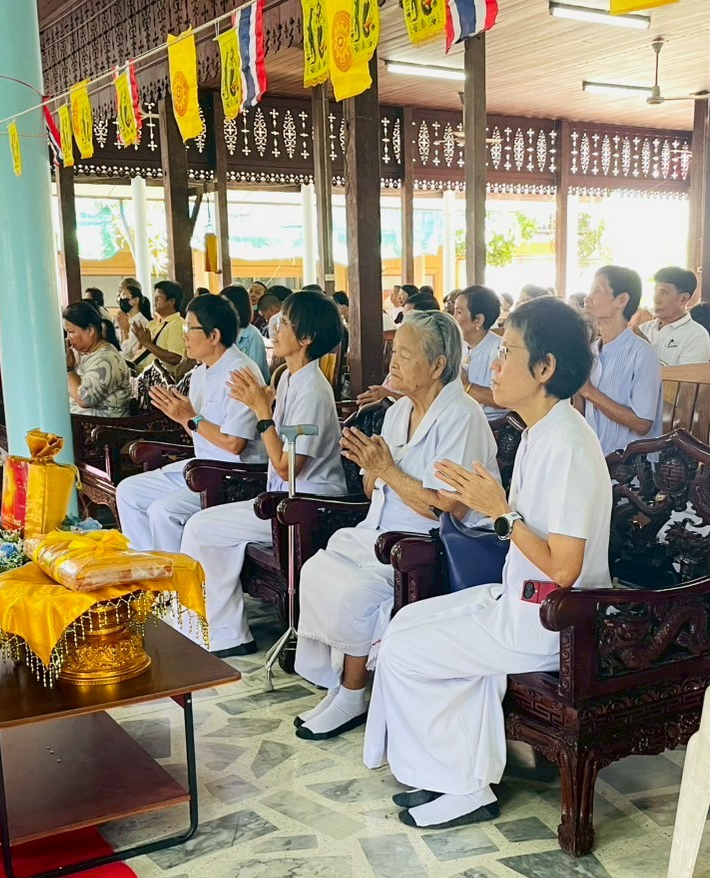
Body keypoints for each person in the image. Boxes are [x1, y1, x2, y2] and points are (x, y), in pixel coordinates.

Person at [364, 296, 610, 829]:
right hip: (523, 601)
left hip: (557, 621)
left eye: (507, 353)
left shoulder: (567, 445)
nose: (492, 366)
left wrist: (498, 512)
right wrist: (496, 507)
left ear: (544, 369)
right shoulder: (540, 432)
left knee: (409, 649)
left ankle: (463, 787)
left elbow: (565, 569)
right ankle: (449, 773)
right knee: (405, 622)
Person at [293, 311, 500, 740]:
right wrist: (374, 470)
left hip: (431, 545)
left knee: (356, 589)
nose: (393, 362)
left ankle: (353, 692)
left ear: (438, 366)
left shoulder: (463, 416)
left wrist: (386, 469)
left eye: (405, 355)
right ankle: (338, 685)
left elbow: (449, 510)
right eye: (394, 351)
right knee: (317, 567)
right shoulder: (398, 410)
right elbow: (375, 489)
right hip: (382, 530)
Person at [180, 290, 347, 656]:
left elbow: (289, 467)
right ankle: (216, 626)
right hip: (281, 496)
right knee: (204, 525)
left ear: (306, 338)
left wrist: (261, 411)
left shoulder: (314, 391)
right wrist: (263, 403)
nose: (276, 328)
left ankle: (226, 633)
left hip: (309, 502)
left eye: (285, 323)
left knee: (202, 527)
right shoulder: (287, 376)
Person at [116, 294, 267, 551]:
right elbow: (196, 427)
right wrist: (180, 415)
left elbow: (234, 444)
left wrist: (189, 417)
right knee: (129, 491)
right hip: (200, 467)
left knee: (164, 510)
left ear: (214, 336)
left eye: (189, 328)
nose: (184, 336)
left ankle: (179, 585)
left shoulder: (241, 373)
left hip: (234, 476)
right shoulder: (200, 372)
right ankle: (151, 571)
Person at [581, 265, 662, 456]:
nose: (587, 297)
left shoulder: (642, 353)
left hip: (631, 474)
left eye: (597, 291)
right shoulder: (590, 351)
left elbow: (642, 424)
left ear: (622, 300)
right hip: (595, 461)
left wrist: (588, 391)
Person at [64, 300, 130, 416]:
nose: (68, 338)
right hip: (82, 425)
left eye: (71, 332)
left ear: (90, 330)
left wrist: (69, 369)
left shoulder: (106, 359)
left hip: (100, 429)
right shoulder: (83, 353)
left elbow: (84, 399)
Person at [639, 266, 710, 366]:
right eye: (655, 292)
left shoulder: (697, 336)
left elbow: (685, 379)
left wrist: (645, 348)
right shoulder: (644, 329)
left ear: (683, 299)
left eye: (664, 293)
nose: (656, 299)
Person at [453, 285, 504, 415]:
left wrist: (466, 386)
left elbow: (504, 398)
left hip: (490, 425)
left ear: (478, 320)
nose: (453, 317)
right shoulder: (456, 345)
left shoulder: (500, 349)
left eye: (458, 312)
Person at [130, 280, 188, 379]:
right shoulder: (152, 324)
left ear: (171, 301)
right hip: (138, 373)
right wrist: (141, 342)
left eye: (159, 297)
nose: (155, 300)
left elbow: (176, 358)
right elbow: (136, 352)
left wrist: (147, 343)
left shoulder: (177, 323)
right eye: (155, 297)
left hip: (156, 380)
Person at [220, 285, 269, 371]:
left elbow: (255, 371)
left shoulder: (253, 335)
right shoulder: (221, 332)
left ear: (238, 307)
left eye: (226, 305)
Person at [116, 277, 153, 365]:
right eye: (120, 297)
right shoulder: (128, 320)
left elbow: (128, 354)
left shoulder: (139, 322)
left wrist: (125, 332)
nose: (121, 300)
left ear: (136, 300)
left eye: (125, 297)